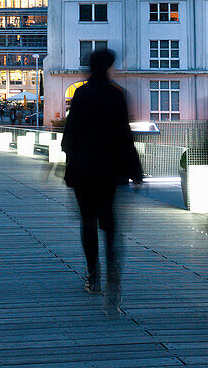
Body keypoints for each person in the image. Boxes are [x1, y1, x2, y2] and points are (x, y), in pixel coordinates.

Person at [60, 48, 142, 312]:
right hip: (109, 171)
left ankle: (93, 276)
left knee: (87, 221)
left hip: (83, 170)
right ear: (108, 67)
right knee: (109, 225)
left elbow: (69, 134)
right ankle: (112, 279)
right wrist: (135, 170)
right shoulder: (117, 95)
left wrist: (70, 155)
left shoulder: (81, 93)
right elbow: (124, 135)